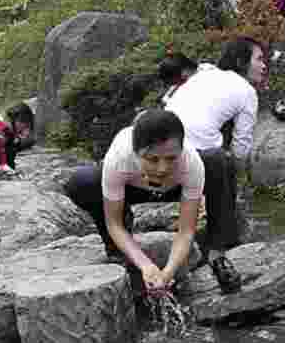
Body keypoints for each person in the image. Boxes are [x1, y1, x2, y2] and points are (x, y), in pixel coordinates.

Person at [163, 38, 266, 292]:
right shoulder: (246, 92)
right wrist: (238, 189)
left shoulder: (205, 73)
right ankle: (220, 248)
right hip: (192, 163)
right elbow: (241, 150)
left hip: (156, 156)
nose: (264, 66)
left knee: (216, 155)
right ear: (242, 62)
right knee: (226, 162)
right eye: (259, 59)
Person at [64, 110, 204, 294]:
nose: (162, 168)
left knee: (217, 161)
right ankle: (119, 239)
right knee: (83, 182)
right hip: (132, 187)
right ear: (136, 152)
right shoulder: (119, 158)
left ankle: (217, 250)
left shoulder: (191, 163)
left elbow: (186, 231)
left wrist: (169, 271)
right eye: (153, 159)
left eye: (171, 158)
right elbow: (113, 224)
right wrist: (146, 265)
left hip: (173, 189)